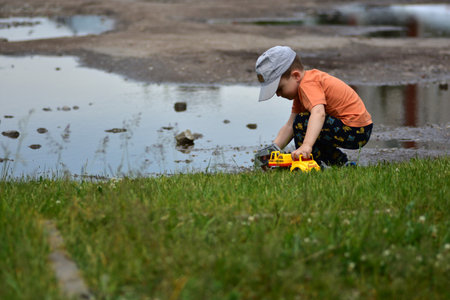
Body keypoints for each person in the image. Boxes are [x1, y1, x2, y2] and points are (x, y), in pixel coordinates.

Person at [255, 46, 373, 168]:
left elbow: (318, 113)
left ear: (296, 76)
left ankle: (310, 163)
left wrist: (306, 145)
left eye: (280, 89)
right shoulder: (300, 93)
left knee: (303, 122)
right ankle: (341, 164)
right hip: (358, 128)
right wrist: (273, 150)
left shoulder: (308, 84)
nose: (278, 94)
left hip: (356, 129)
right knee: (306, 124)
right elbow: (289, 125)